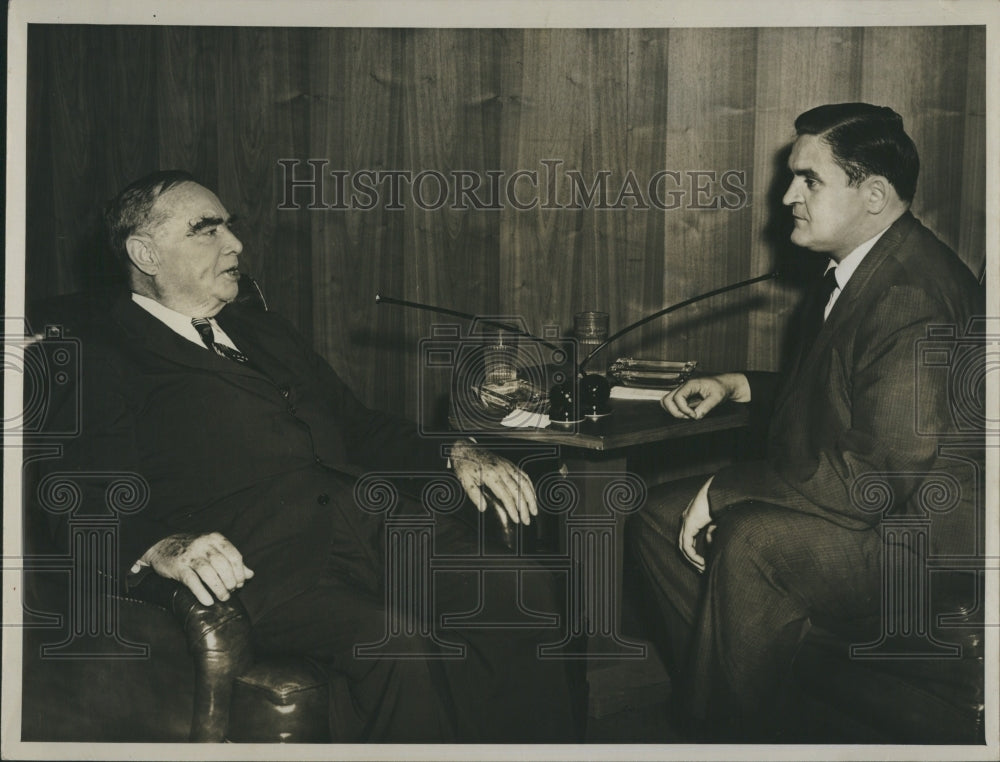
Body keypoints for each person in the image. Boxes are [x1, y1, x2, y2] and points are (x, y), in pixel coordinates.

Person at [39, 170, 581, 742]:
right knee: (390, 643)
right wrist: (165, 547)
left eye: (231, 227)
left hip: (377, 526)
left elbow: (358, 426)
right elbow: (75, 495)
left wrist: (455, 450)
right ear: (144, 252)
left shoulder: (264, 329)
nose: (236, 244)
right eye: (207, 230)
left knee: (516, 591)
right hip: (269, 565)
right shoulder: (98, 353)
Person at [628, 103, 983, 741]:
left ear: (873, 195)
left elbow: (874, 477)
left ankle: (737, 731)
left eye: (809, 180)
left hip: (914, 545)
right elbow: (849, 393)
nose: (788, 195)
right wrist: (742, 385)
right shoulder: (867, 264)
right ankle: (753, 707)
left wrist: (725, 488)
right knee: (656, 518)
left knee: (751, 539)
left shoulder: (911, 296)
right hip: (876, 512)